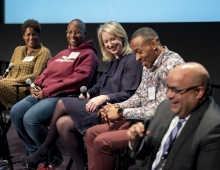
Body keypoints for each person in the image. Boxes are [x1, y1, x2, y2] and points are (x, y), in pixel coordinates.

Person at [19, 21, 143, 170]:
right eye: (106, 41)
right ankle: (82, 167)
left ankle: (43, 150)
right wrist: (90, 93)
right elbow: (100, 85)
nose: (110, 44)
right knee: (62, 124)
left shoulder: (131, 60)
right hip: (97, 106)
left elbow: (129, 93)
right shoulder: (112, 60)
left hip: (111, 110)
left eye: (113, 39)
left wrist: (105, 97)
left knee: (62, 103)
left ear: (122, 37)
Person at [86, 27, 185, 170]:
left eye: (139, 52)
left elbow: (164, 110)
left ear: (153, 44)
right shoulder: (149, 62)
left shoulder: (171, 65)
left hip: (158, 128)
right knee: (91, 133)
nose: (137, 58)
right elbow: (139, 95)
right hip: (140, 121)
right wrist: (118, 106)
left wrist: (122, 113)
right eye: (134, 53)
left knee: (102, 142)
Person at [10, 19, 99, 169]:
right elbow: (46, 71)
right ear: (66, 33)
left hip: (65, 97)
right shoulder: (62, 53)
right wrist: (36, 85)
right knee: (15, 112)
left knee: (30, 118)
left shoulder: (89, 54)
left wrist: (47, 91)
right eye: (70, 31)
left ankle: (54, 157)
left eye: (77, 31)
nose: (73, 35)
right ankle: (36, 154)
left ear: (85, 33)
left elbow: (78, 80)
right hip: (45, 93)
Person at [127, 62, 220, 170]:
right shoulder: (165, 107)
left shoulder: (214, 127)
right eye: (168, 88)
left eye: (176, 90)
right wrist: (135, 142)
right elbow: (146, 155)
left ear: (198, 92)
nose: (169, 95)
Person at [0, 19, 51, 111]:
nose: (31, 37)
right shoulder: (18, 50)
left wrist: (9, 80)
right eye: (28, 35)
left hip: (25, 90)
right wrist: (4, 79)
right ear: (23, 36)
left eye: (34, 34)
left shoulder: (43, 52)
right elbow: (10, 70)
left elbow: (35, 75)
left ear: (38, 35)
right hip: (8, 85)